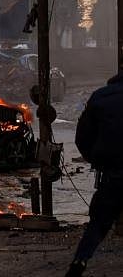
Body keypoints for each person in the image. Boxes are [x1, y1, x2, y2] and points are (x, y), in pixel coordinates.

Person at [65, 71, 123, 277]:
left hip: (111, 174)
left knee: (98, 223)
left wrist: (97, 160)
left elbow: (82, 136)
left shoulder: (100, 97)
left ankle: (80, 259)